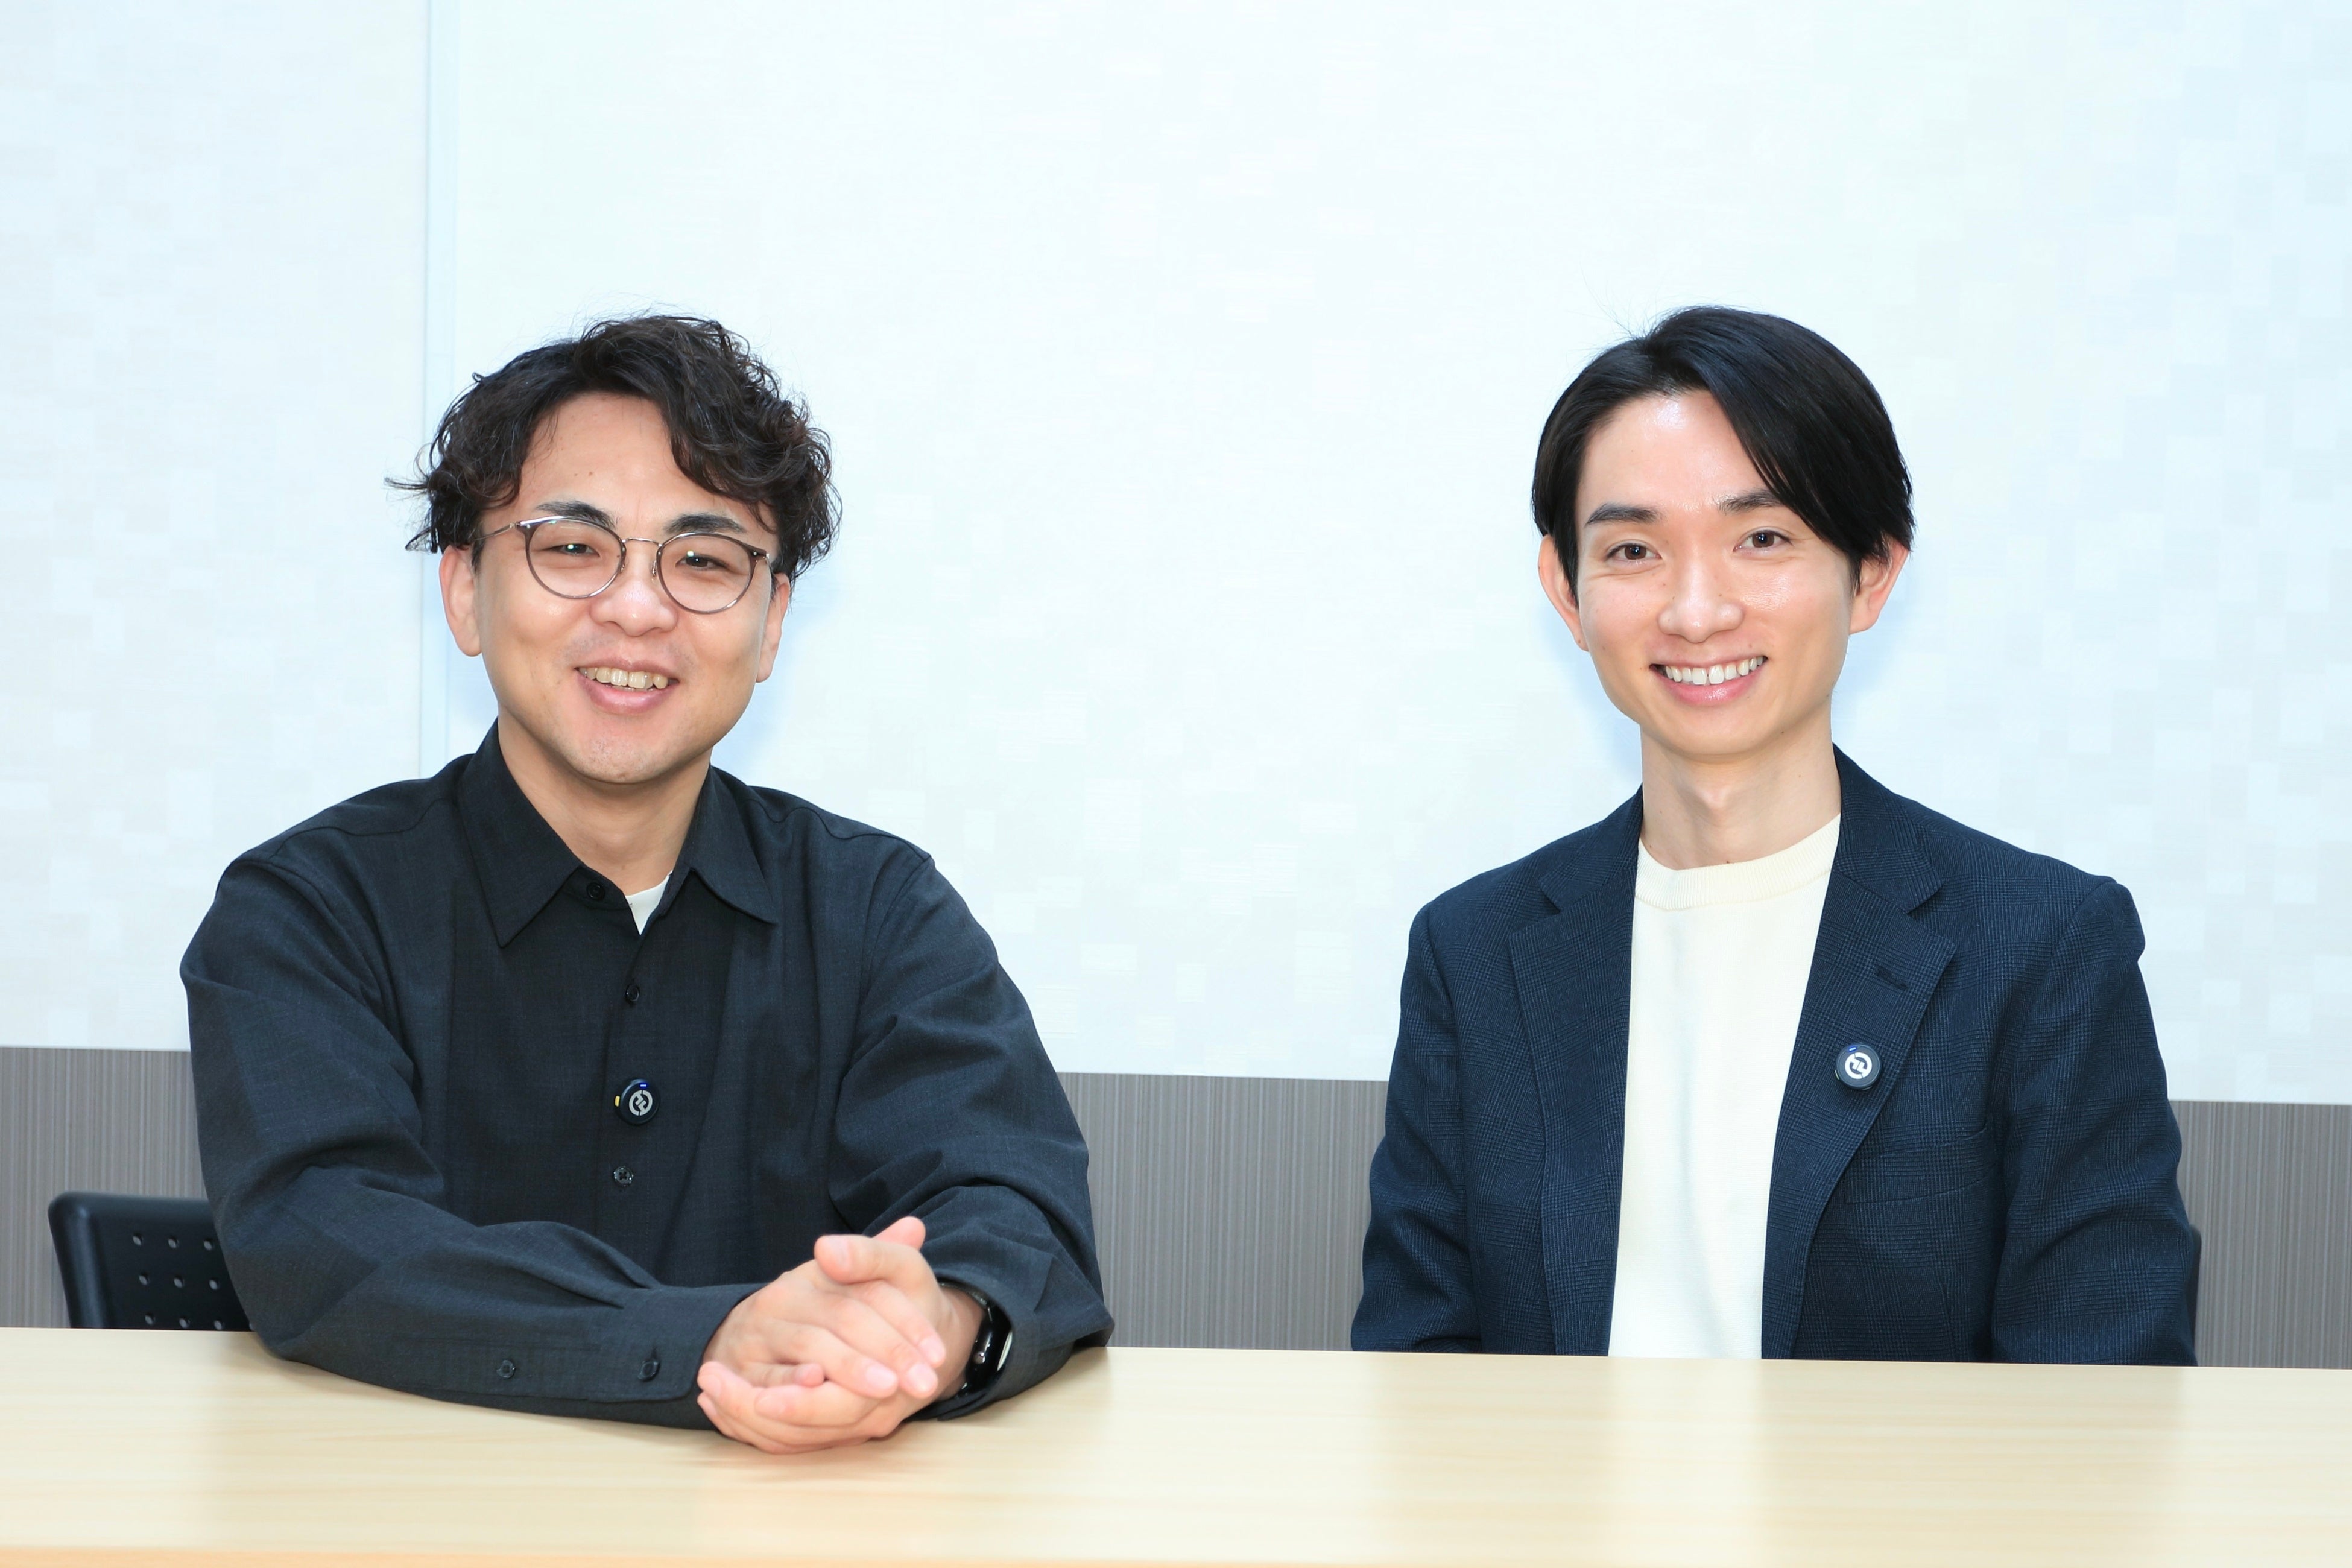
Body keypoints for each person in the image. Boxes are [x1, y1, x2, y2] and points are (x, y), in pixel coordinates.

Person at [185, 315, 1111, 1452]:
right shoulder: (310, 911)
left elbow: (1015, 1212)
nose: (637, 608)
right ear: (464, 590)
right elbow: (326, 1237)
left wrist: (929, 1326)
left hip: (789, 1518)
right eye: (574, 548)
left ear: (771, 625)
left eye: (704, 561)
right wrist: (714, 1340)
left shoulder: (878, 909)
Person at [1352, 307, 2196, 1364]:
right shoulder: (1474, 951)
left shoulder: (2041, 947)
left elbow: (2108, 1393)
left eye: (1762, 539)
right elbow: (1418, 1373)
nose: (1697, 611)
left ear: (1872, 572)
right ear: (1566, 592)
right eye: (1633, 550)